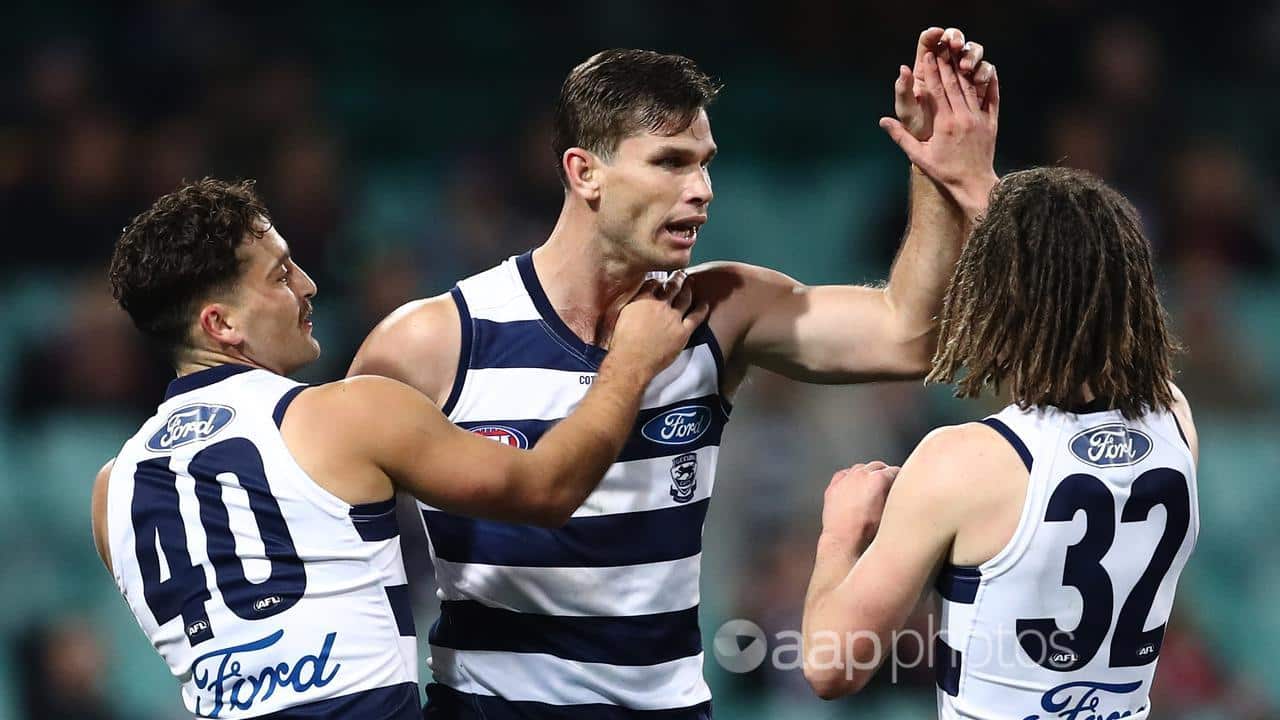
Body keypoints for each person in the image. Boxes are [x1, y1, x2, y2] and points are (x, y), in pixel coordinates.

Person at [348, 29, 998, 718]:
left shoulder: (720, 311)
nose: (702, 191)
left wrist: (934, 171)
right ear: (583, 171)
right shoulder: (432, 341)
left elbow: (907, 337)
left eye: (706, 163)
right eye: (670, 163)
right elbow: (330, 536)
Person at [90, 178, 705, 719]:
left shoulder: (110, 492)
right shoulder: (348, 413)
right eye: (279, 275)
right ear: (222, 325)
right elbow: (548, 489)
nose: (307, 285)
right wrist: (629, 364)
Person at [800, 169, 1197, 717]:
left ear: (998, 302)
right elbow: (1067, 262)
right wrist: (979, 184)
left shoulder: (964, 462)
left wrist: (841, 533)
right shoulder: (1175, 420)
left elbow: (830, 666)